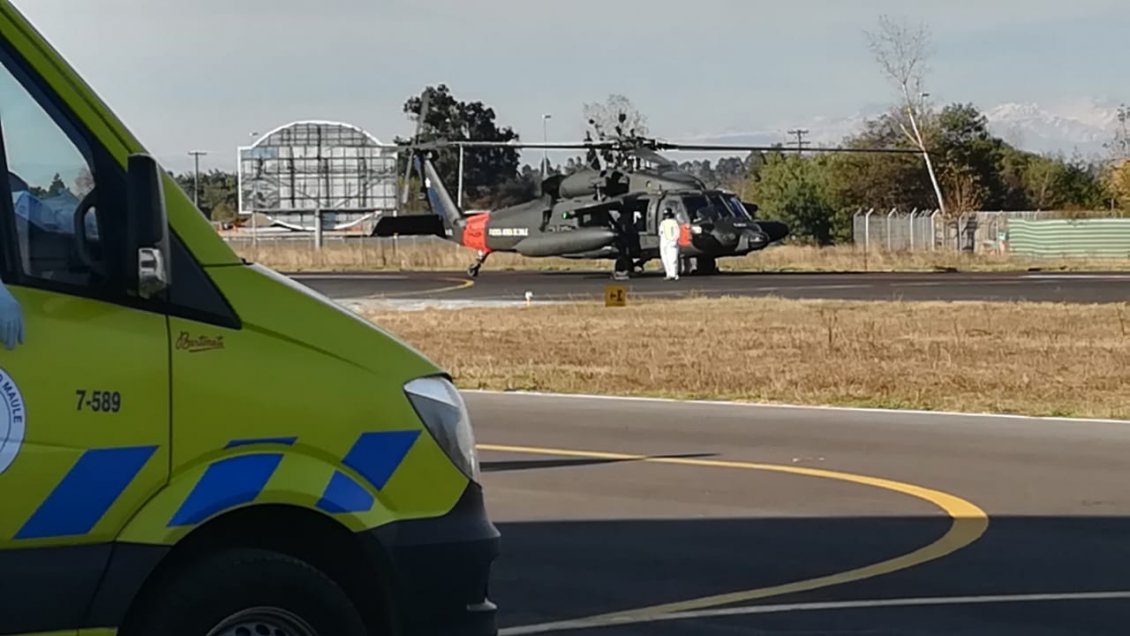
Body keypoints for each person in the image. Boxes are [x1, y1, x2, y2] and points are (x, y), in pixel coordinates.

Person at [658, 208, 681, 281]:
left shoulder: (674, 222)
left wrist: (674, 241)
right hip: (664, 242)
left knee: (672, 258)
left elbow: (677, 233)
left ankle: (673, 274)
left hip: (671, 242)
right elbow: (660, 233)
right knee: (665, 258)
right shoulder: (663, 223)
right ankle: (668, 273)